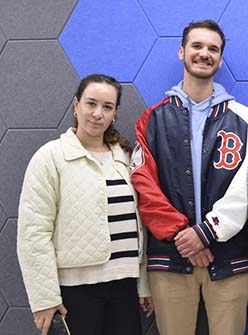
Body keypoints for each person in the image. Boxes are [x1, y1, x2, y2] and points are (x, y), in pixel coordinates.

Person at [130, 19, 248, 335]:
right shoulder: (153, 118)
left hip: (229, 258)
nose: (204, 53)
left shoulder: (244, 118)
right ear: (181, 52)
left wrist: (207, 232)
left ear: (221, 59)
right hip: (171, 259)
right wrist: (182, 235)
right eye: (197, 46)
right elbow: (144, 185)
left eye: (212, 48)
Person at [16, 74, 153, 335]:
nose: (97, 114)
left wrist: (143, 284)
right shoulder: (51, 158)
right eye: (91, 104)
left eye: (107, 107)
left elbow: (140, 227)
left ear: (115, 113)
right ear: (76, 105)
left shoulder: (124, 158)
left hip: (125, 289)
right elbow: (33, 233)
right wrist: (45, 299)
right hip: (75, 294)